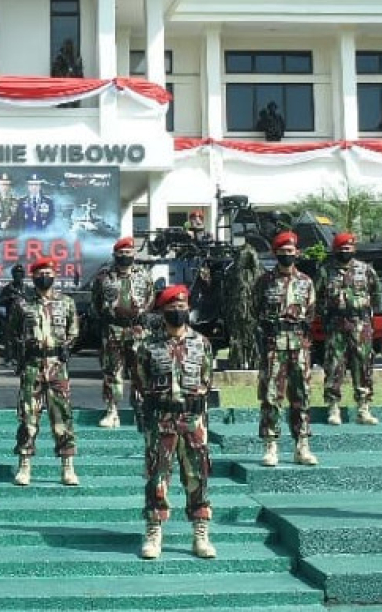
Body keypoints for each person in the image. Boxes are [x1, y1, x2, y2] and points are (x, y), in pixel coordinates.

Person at [134, 285, 216, 560]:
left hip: (193, 421)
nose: (177, 311)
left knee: (197, 476)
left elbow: (207, 381)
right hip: (161, 420)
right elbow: (141, 386)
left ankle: (200, 532)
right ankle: (154, 530)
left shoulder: (202, 344)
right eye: (171, 308)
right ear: (162, 312)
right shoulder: (148, 346)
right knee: (158, 477)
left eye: (182, 307)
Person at [10, 256, 80, 487]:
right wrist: (19, 357)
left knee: (62, 417)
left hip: (57, 366)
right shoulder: (22, 303)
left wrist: (65, 348)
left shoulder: (66, 302)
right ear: (33, 277)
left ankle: (67, 466)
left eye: (48, 273)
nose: (44, 277)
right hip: (32, 365)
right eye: (40, 273)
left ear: (55, 275)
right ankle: (25, 465)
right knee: (28, 418)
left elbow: (74, 330)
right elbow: (12, 332)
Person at [253, 231, 318, 467]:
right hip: (274, 343)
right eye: (282, 252)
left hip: (299, 344)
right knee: (271, 395)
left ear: (296, 253)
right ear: (275, 254)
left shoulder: (306, 282)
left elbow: (310, 313)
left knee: (302, 395)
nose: (286, 255)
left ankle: (302, 445)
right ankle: (271, 446)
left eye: (290, 252)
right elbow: (254, 310)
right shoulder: (264, 282)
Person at [318, 233, 382, 426]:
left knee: (363, 365)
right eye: (341, 248)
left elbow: (376, 293)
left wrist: (368, 312)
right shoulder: (326, 271)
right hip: (336, 325)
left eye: (348, 248)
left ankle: (363, 408)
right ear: (335, 250)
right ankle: (333, 407)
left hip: (360, 324)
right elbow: (317, 295)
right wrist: (326, 315)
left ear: (353, 249)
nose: (345, 251)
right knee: (334, 366)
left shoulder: (365, 270)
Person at [90, 236, 154, 428]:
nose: (125, 256)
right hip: (113, 330)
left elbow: (151, 297)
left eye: (128, 253)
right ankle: (112, 411)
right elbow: (96, 302)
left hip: (138, 330)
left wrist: (144, 313)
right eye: (121, 253)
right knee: (112, 372)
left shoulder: (144, 275)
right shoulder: (104, 277)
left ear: (133, 254)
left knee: (141, 372)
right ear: (115, 254)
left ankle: (142, 410)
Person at [0, 264, 28, 365]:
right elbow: (0, 302)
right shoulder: (8, 288)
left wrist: (24, 297)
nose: (18, 275)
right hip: (11, 316)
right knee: (10, 338)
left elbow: (33, 301)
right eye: (16, 273)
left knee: (25, 337)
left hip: (25, 317)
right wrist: (9, 298)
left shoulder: (27, 289)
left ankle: (23, 358)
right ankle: (10, 358)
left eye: (20, 273)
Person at [0, 172, 20, 238]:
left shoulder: (17, 202)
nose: (5, 187)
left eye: (8, 185)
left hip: (12, 238)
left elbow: (19, 222)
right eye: (3, 184)